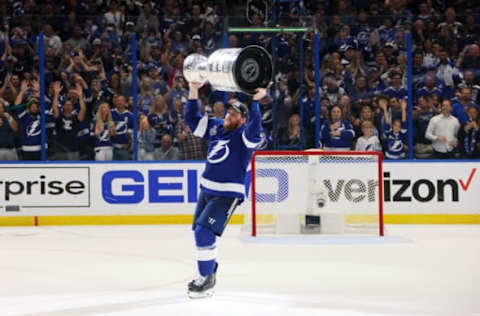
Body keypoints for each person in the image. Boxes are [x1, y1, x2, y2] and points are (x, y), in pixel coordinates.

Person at [185, 82, 264, 298]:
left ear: (243, 120)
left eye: (235, 113)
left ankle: (206, 280)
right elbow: (192, 121)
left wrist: (255, 102)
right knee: (199, 232)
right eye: (229, 110)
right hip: (207, 189)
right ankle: (208, 270)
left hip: (228, 193)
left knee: (204, 232)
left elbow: (255, 131)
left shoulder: (245, 136)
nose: (230, 114)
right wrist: (193, 90)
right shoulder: (217, 126)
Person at [51, 82, 87, 160]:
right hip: (60, 150)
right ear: (63, 106)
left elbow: (83, 109)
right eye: (66, 105)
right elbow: (54, 107)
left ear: (73, 107)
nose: (68, 106)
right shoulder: (59, 117)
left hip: (73, 150)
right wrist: (56, 93)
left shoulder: (76, 118)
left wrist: (80, 96)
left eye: (70, 105)